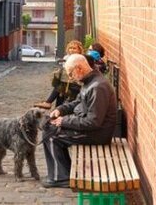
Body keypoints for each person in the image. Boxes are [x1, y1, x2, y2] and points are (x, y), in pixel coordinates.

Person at [41, 53, 118, 188]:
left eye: (71, 73)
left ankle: (61, 178)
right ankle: (64, 173)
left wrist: (64, 121)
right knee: (49, 128)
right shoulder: (90, 82)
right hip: (91, 129)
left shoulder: (97, 87)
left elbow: (93, 122)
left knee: (51, 135)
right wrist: (60, 110)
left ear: (79, 69)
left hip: (97, 135)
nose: (70, 78)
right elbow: (77, 102)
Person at [33, 39, 85, 109]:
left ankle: (49, 103)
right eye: (70, 48)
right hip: (67, 82)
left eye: (74, 48)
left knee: (60, 86)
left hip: (76, 82)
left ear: (79, 50)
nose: (72, 50)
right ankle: (55, 107)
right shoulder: (66, 57)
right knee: (60, 86)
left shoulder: (81, 58)